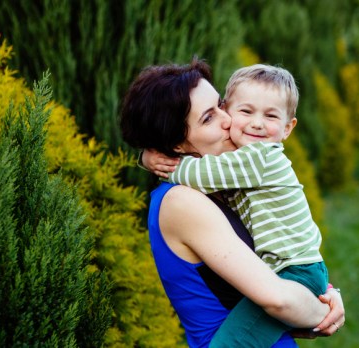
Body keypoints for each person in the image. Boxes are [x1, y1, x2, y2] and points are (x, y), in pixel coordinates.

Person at [119, 59, 344, 348]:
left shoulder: (230, 184)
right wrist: (323, 311)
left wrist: (322, 291)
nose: (229, 120)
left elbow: (271, 270)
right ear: (176, 144)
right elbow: (277, 299)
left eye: (221, 105)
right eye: (208, 118)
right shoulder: (181, 201)